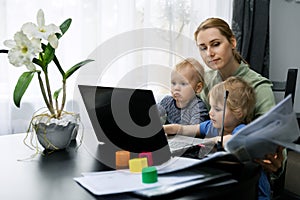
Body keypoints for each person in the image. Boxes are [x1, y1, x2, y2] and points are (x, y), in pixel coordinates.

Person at [193, 17, 284, 200]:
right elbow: (199, 118)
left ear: (232, 42)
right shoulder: (208, 80)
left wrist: (276, 163)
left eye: (216, 44)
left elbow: (276, 148)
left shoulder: (259, 87)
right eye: (203, 48)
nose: (209, 53)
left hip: (245, 175)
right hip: (212, 165)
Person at [163, 76, 256, 145]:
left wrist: (214, 140)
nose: (210, 112)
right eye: (211, 107)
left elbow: (231, 140)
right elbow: (183, 129)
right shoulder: (210, 126)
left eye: (217, 109)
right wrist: (164, 129)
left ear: (238, 113)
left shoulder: (242, 130)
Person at [158, 57, 209, 125]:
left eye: (183, 84)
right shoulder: (167, 102)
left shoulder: (198, 107)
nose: (176, 88)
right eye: (173, 83)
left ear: (198, 88)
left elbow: (195, 129)